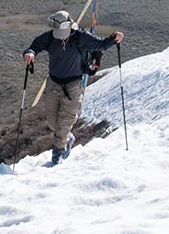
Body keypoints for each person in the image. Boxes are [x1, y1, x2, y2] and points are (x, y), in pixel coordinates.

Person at [23, 10, 124, 166]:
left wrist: (114, 38)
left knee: (64, 124)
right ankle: (67, 138)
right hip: (53, 83)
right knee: (52, 121)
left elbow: (101, 44)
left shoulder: (81, 38)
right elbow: (35, 46)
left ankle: (57, 155)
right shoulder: (50, 38)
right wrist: (29, 53)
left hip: (73, 86)